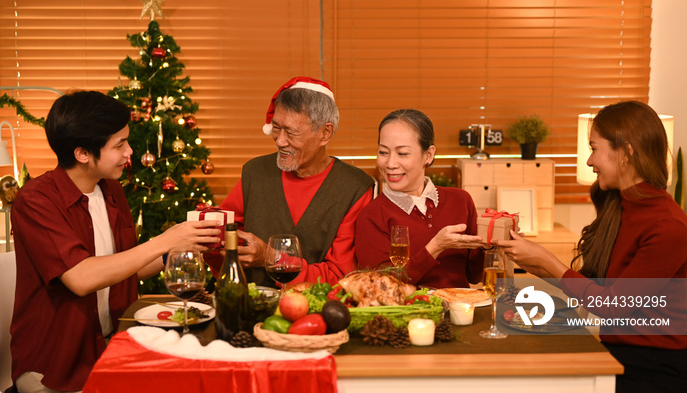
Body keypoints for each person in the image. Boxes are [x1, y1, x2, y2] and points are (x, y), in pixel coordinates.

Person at [9, 91, 221, 393]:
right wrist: (163, 241)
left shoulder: (110, 190)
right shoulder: (36, 200)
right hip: (56, 367)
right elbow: (81, 278)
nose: (130, 152)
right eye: (119, 144)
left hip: (110, 347)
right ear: (83, 153)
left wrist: (175, 250)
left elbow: (125, 266)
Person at [495, 101, 687, 393]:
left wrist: (548, 260)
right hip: (618, 353)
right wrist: (525, 254)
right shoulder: (620, 206)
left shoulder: (668, 225)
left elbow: (614, 306)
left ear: (626, 152)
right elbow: (591, 287)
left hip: (657, 367)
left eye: (594, 148)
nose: (589, 161)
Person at [214, 76, 374, 287]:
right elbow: (221, 245)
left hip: (319, 315)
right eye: (276, 128)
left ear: (325, 133)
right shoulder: (255, 173)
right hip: (252, 310)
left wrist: (272, 259)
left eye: (291, 131)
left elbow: (342, 277)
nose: (280, 141)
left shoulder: (356, 188)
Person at [355, 109, 486, 289]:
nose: (390, 163)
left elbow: (474, 277)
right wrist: (435, 247)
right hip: (407, 315)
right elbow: (381, 287)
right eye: (383, 152)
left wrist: (489, 245)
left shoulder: (460, 200)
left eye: (402, 153)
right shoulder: (371, 216)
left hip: (460, 312)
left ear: (428, 155)